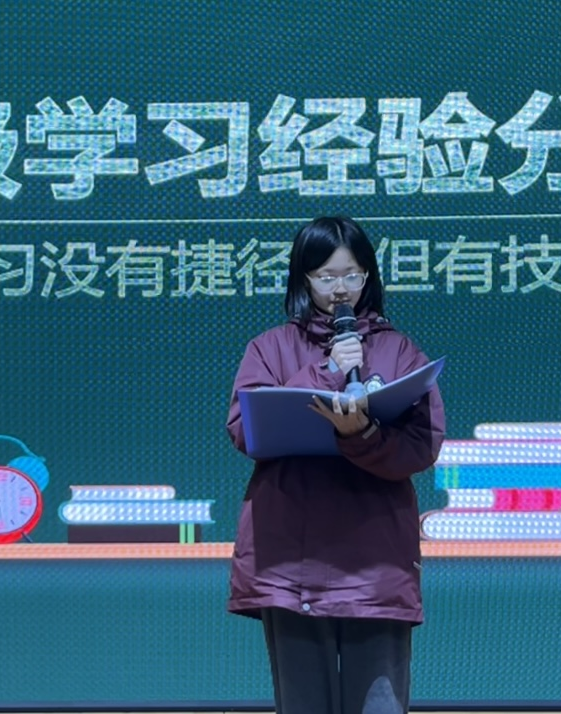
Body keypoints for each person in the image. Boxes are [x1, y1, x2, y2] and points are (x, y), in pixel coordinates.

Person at [225, 216, 446, 714]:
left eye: (352, 275)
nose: (340, 289)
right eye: (326, 277)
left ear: (369, 276)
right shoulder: (270, 348)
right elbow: (244, 431)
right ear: (303, 279)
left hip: (375, 562)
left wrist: (362, 435)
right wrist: (326, 371)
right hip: (291, 561)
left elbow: (422, 445)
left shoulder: (398, 350)